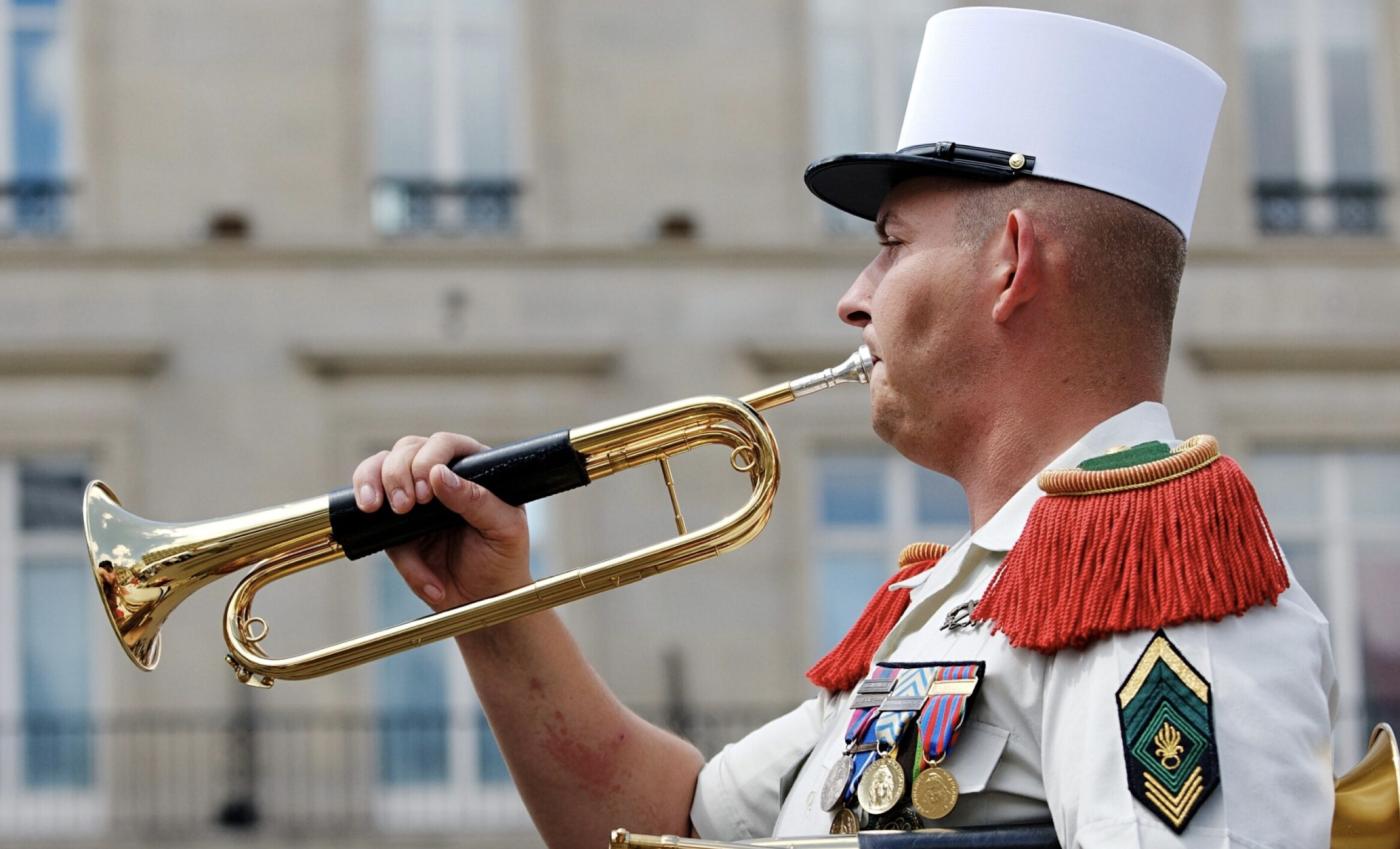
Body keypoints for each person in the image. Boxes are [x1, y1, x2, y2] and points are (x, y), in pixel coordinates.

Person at [351, 8, 1336, 848]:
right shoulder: (953, 599)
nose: (853, 299)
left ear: (1011, 263)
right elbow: (672, 826)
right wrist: (489, 604)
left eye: (891, 245)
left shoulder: (1153, 583)